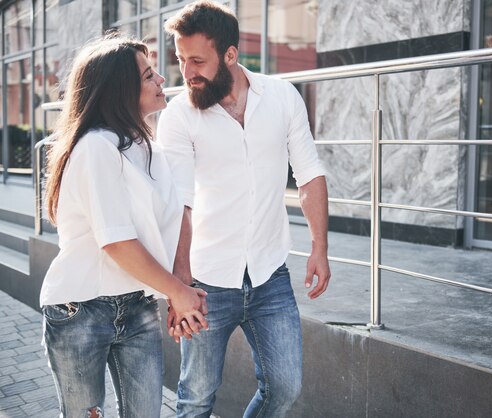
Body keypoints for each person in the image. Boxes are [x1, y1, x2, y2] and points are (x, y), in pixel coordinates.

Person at [157, 1, 332, 416]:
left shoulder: (282, 97)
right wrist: (178, 287)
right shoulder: (179, 116)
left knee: (285, 388)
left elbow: (309, 174)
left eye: (197, 60)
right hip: (207, 282)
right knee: (195, 399)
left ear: (231, 55)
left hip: (270, 273)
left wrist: (319, 248)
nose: (187, 72)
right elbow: (179, 202)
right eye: (181, 60)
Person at [40, 35, 209, 418]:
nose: (162, 80)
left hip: (138, 305)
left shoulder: (150, 148)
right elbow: (116, 242)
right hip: (80, 309)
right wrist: (177, 292)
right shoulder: (96, 147)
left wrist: (181, 289)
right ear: (122, 88)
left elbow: (180, 215)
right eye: (149, 75)